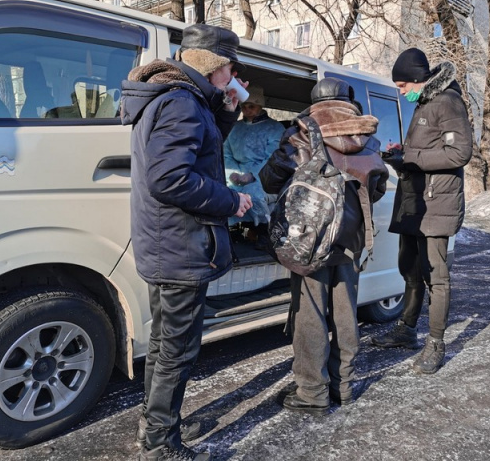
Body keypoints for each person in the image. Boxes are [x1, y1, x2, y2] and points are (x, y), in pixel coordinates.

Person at [120, 24, 253, 461]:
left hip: (164, 242)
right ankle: (161, 443)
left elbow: (198, 151)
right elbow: (171, 178)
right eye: (230, 67)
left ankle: (152, 422)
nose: (233, 76)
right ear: (215, 65)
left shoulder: (175, 97)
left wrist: (228, 109)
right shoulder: (183, 104)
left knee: (164, 343)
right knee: (177, 349)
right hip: (180, 244)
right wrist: (231, 201)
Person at [260, 77, 388, 413]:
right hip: (351, 242)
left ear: (315, 101)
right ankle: (342, 386)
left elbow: (269, 178)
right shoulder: (368, 138)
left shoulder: (302, 133)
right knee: (346, 316)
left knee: (310, 315)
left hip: (310, 238)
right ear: (348, 101)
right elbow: (377, 190)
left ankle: (312, 393)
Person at [371, 48, 473, 375]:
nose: (401, 92)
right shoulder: (424, 103)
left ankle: (436, 342)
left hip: (437, 205)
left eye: (403, 85)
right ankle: (406, 330)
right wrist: (401, 154)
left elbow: (460, 153)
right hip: (414, 202)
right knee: (409, 269)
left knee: (436, 278)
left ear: (418, 79)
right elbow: (426, 149)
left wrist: (412, 159)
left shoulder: (448, 102)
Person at [224, 85, 284, 228]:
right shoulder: (234, 127)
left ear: (260, 106)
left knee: (253, 196)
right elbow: (226, 153)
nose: (247, 110)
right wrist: (233, 173)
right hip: (235, 173)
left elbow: (273, 157)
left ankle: (263, 230)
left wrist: (253, 175)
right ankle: (228, 231)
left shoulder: (275, 128)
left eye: (251, 106)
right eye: (244, 106)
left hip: (265, 175)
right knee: (225, 194)